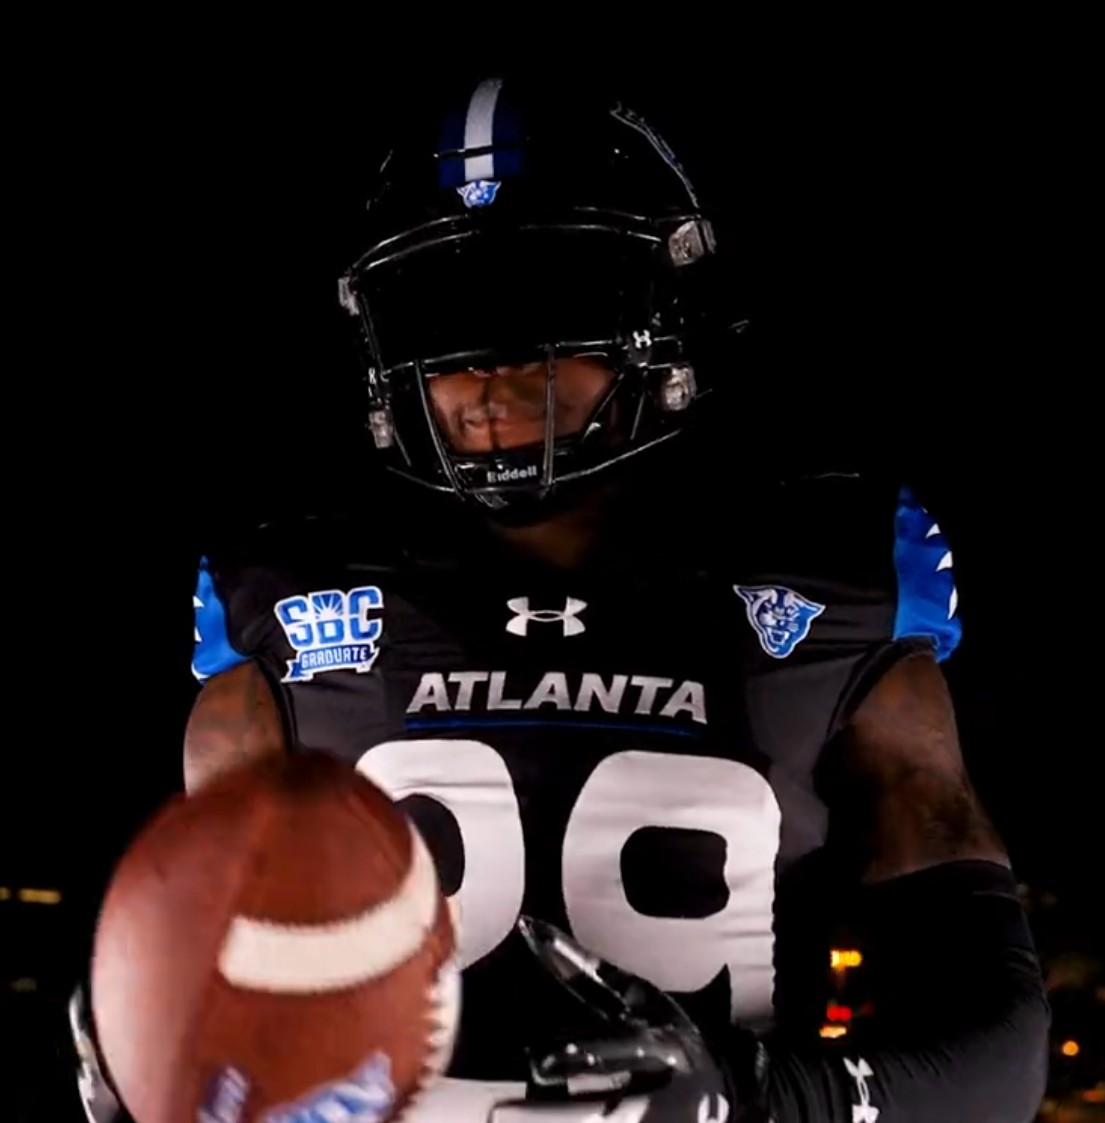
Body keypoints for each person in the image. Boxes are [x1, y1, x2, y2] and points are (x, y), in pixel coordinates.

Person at [74, 76, 1049, 1122]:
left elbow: (993, 1060)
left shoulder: (824, 583)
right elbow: (192, 989)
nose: (485, 368)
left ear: (668, 309)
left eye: (545, 299)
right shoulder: (288, 604)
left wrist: (755, 1098)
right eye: (439, 312)